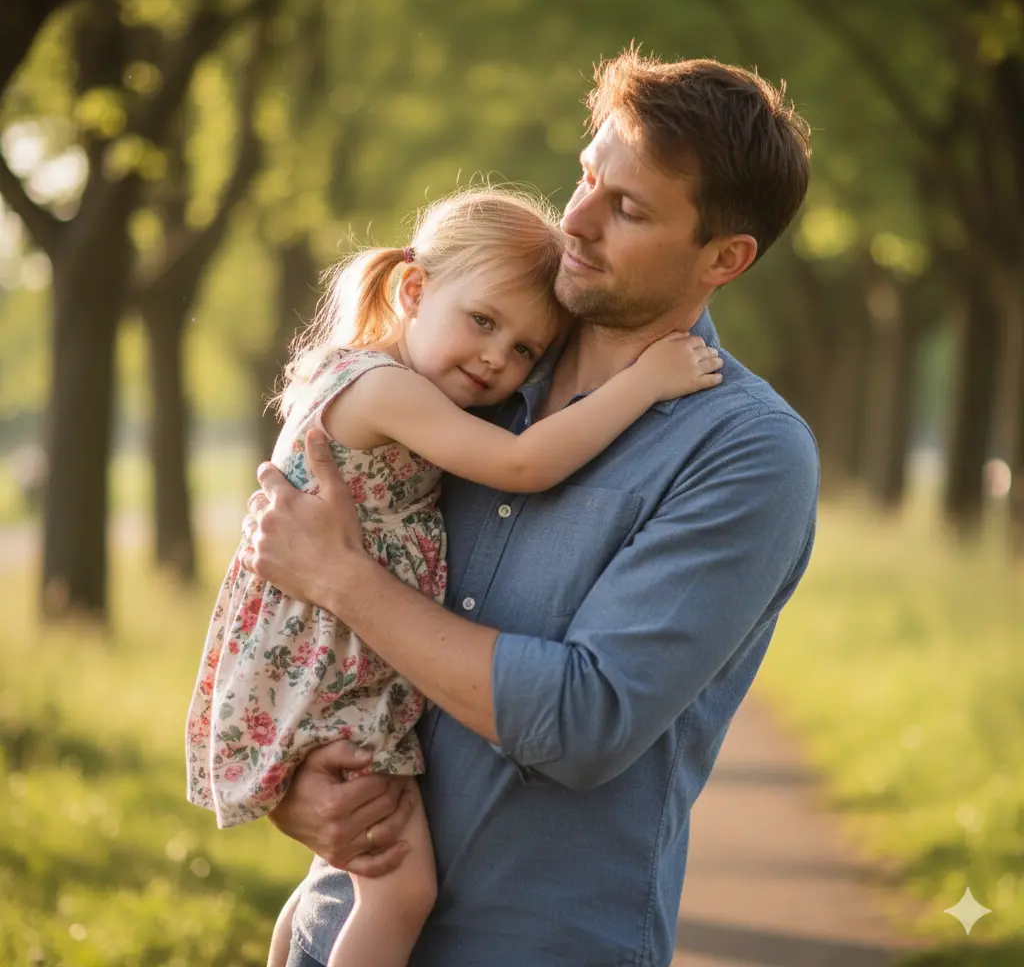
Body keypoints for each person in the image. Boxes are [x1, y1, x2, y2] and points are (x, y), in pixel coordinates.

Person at [246, 50, 819, 967]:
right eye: (588, 176)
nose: (577, 221)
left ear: (726, 257)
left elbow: (582, 720)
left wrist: (343, 579)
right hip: (334, 934)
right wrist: (294, 791)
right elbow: (299, 627)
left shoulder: (746, 453)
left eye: (627, 208)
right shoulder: (463, 371)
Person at [185, 187, 723, 967]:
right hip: (330, 659)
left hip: (325, 649)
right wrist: (643, 383)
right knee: (398, 892)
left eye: (526, 351)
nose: (496, 360)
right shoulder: (388, 389)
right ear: (413, 289)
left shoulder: (370, 376)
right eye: (482, 322)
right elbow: (522, 463)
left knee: (336, 886)